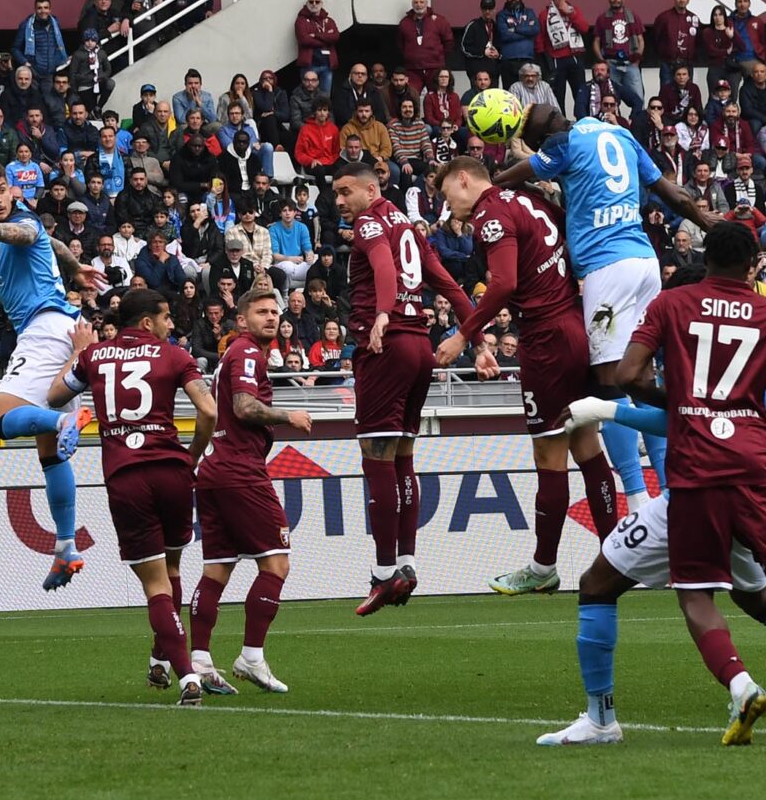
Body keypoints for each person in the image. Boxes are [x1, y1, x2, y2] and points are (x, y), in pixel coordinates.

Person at [552, 396, 766, 744]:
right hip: (755, 488)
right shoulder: (758, 346)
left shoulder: (687, 343)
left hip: (695, 491)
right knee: (760, 598)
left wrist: (605, 408)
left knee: (602, 585)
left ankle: (604, 720)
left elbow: (671, 410)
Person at [609, 219, 766, 740]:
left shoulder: (671, 303)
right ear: (754, 265)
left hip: (695, 467)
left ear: (705, 258)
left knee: (695, 593)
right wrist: (750, 412)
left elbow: (627, 377)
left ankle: (740, 687)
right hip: (755, 463)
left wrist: (686, 406)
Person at [494, 99, 717, 502]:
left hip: (606, 269)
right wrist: (707, 224)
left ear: (544, 137)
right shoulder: (622, 134)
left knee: (608, 384)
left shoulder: (561, 142)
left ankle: (634, 498)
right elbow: (673, 194)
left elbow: (516, 176)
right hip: (645, 262)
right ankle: (669, 490)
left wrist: (491, 181)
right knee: (643, 379)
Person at [433, 155, 622, 595]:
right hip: (575, 327)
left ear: (464, 180)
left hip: (547, 340)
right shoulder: (525, 199)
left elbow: (502, 283)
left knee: (549, 457)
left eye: (447, 195)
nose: (447, 207)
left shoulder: (490, 215)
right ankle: (618, 557)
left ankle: (542, 568)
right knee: (587, 446)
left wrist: (464, 336)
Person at [0, 157, 107, 588]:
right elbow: (49, 244)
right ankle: (65, 547)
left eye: (2, 189)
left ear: (11, 189)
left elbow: (28, 233)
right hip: (63, 329)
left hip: (44, 329)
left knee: (1, 420)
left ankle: (64, 419)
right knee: (50, 453)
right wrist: (74, 267)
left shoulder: (16, 221)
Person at [50, 289, 216, 704]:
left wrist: (81, 351)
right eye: (165, 318)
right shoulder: (175, 356)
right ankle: (160, 660)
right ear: (146, 323)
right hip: (172, 471)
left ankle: (186, 677)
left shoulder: (95, 357)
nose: (171, 325)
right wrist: (191, 456)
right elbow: (209, 412)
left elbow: (54, 396)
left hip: (126, 476)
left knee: (155, 583)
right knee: (173, 569)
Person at [331, 161, 475, 614]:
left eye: (344, 191)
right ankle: (408, 564)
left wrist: (382, 313)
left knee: (376, 456)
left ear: (371, 189)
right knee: (403, 459)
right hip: (420, 350)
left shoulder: (371, 223)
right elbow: (448, 284)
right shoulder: (410, 228)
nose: (338, 201)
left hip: (387, 347)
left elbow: (381, 269)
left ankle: (381, 573)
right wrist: (476, 336)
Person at [189, 283, 312, 693]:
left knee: (217, 570)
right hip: (239, 470)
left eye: (274, 312)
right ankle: (251, 656)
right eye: (261, 312)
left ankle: (201, 660)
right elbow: (244, 407)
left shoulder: (238, 354)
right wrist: (286, 416)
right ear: (241, 320)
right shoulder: (244, 351)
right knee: (276, 563)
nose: (271, 317)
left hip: (214, 469)